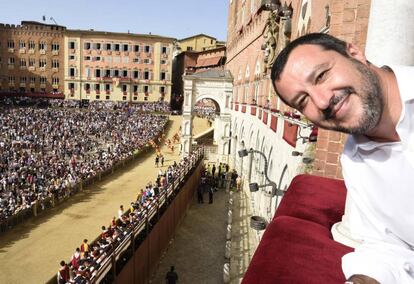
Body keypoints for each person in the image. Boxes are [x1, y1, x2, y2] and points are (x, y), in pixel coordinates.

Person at [271, 33, 414, 284]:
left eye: (322, 75)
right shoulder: (354, 161)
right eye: (303, 101)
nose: (323, 100)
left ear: (355, 53)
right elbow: (387, 247)